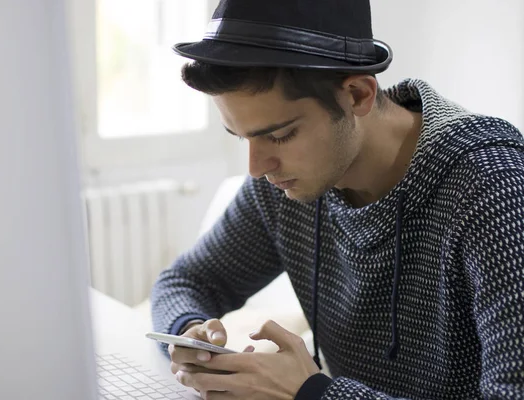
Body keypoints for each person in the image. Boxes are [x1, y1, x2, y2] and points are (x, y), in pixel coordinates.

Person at [150, 0, 524, 398]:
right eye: (241, 136)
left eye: (280, 135)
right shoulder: (283, 183)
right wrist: (189, 337)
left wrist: (313, 393)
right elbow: (188, 280)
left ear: (358, 94)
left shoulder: (494, 189)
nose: (257, 166)